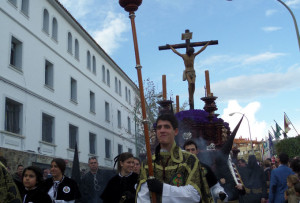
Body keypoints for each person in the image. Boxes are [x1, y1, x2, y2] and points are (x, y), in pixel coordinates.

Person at [136, 113, 209, 203]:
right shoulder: (148, 163)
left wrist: (163, 189)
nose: (162, 130)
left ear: (175, 131)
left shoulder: (189, 160)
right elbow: (142, 197)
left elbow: (194, 195)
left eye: (167, 127)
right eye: (159, 127)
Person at [168, 41, 211, 109]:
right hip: (187, 72)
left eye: (192, 52)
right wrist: (171, 47)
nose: (192, 53)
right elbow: (176, 52)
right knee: (190, 83)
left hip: (193, 72)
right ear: (189, 52)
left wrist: (207, 44)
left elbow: (201, 50)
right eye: (191, 52)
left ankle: (192, 96)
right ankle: (190, 97)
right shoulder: (184, 56)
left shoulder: (193, 55)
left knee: (193, 84)